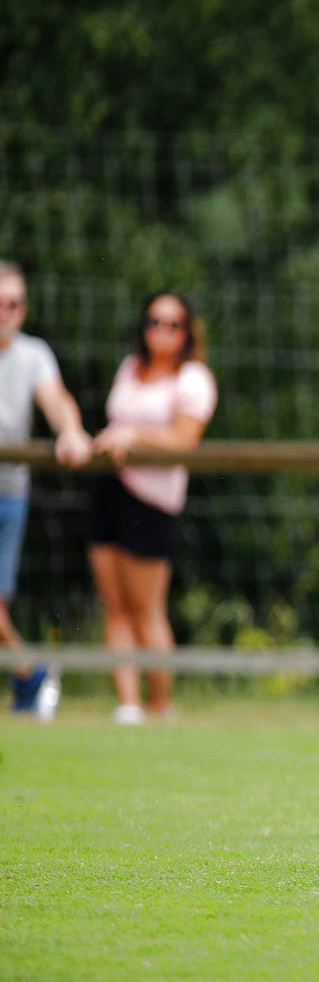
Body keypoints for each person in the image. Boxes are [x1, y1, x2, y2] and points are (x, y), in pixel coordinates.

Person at [89, 291, 218, 725]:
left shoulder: (193, 378)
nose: (161, 331)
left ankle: (161, 704)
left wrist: (134, 434)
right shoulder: (130, 368)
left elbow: (185, 441)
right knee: (115, 603)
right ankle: (128, 705)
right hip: (111, 488)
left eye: (173, 324)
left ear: (187, 331)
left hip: (153, 498)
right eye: (154, 322)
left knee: (147, 607)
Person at [0, 262, 92, 714]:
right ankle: (28, 675)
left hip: (10, 490)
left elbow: (56, 400)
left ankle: (28, 676)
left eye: (13, 302)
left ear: (24, 308)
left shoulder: (34, 354)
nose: (5, 311)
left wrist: (71, 431)